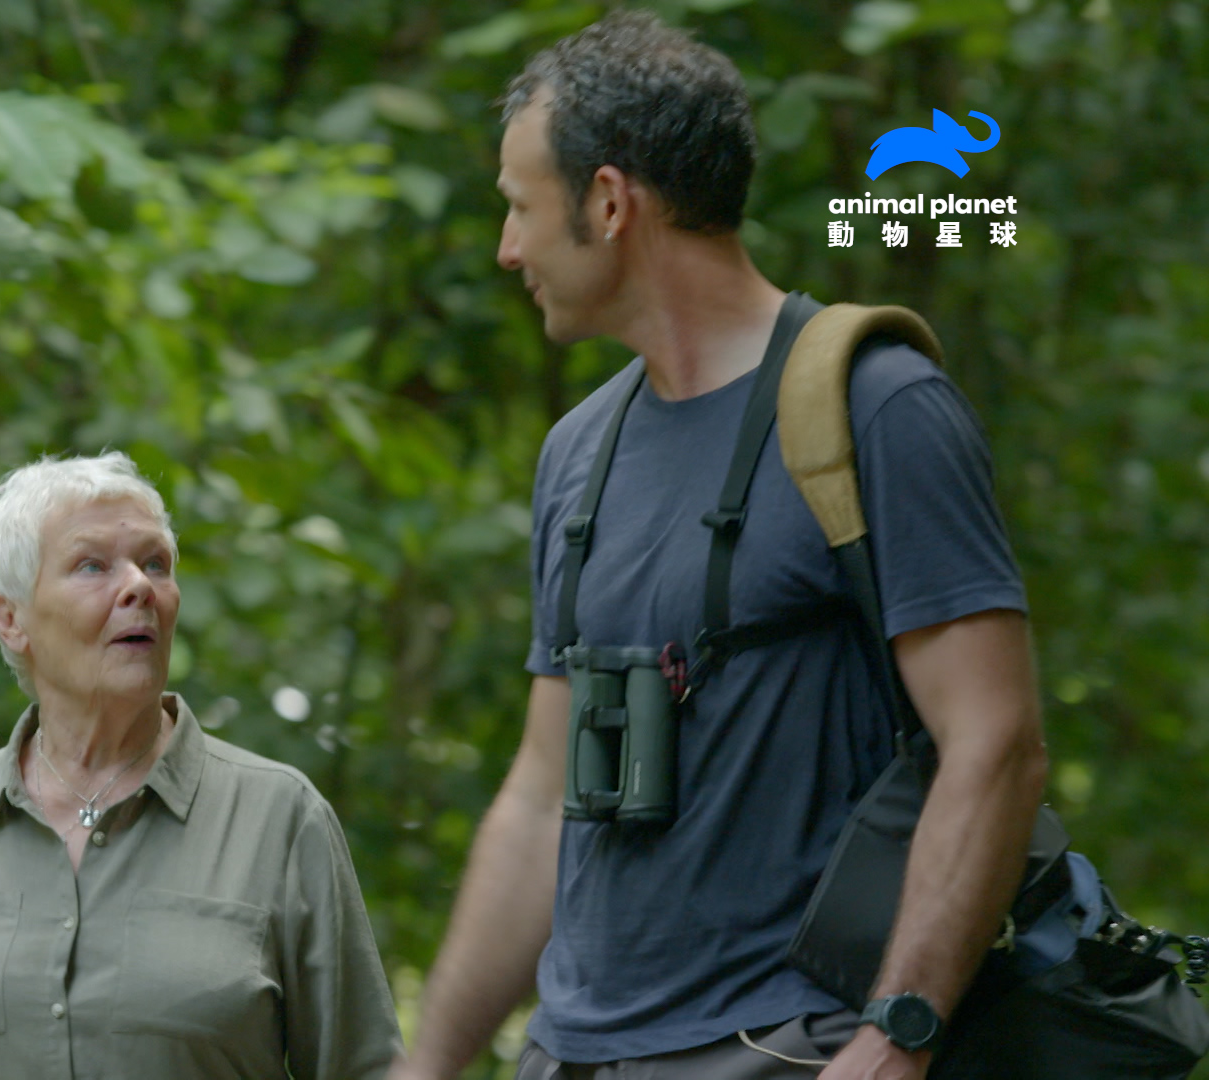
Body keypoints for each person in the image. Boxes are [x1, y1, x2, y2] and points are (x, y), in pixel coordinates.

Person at [389, 12, 1046, 1080]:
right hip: (571, 1054)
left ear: (607, 203)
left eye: (518, 209)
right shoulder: (576, 455)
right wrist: (429, 1067)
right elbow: (540, 792)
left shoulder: (878, 406)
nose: (508, 249)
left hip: (786, 1046)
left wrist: (899, 1036)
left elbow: (996, 744)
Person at [0, 451, 400, 1080]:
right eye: (92, 565)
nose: (139, 586)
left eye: (155, 563)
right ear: (10, 619)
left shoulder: (279, 816)